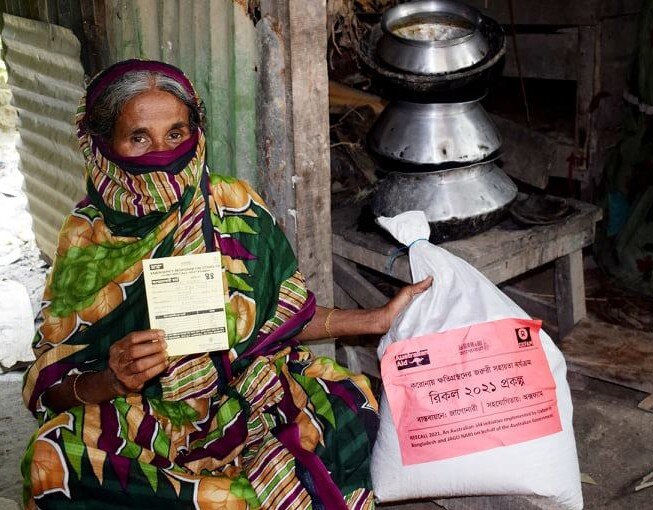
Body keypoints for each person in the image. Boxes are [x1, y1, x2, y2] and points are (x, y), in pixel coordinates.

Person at [21, 59, 431, 509]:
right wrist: (111, 381)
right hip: (144, 414)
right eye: (139, 137)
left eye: (176, 134)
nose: (162, 152)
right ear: (103, 145)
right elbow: (55, 382)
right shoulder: (87, 234)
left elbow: (289, 316)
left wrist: (377, 319)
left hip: (248, 394)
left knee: (351, 408)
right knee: (53, 457)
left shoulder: (232, 203)